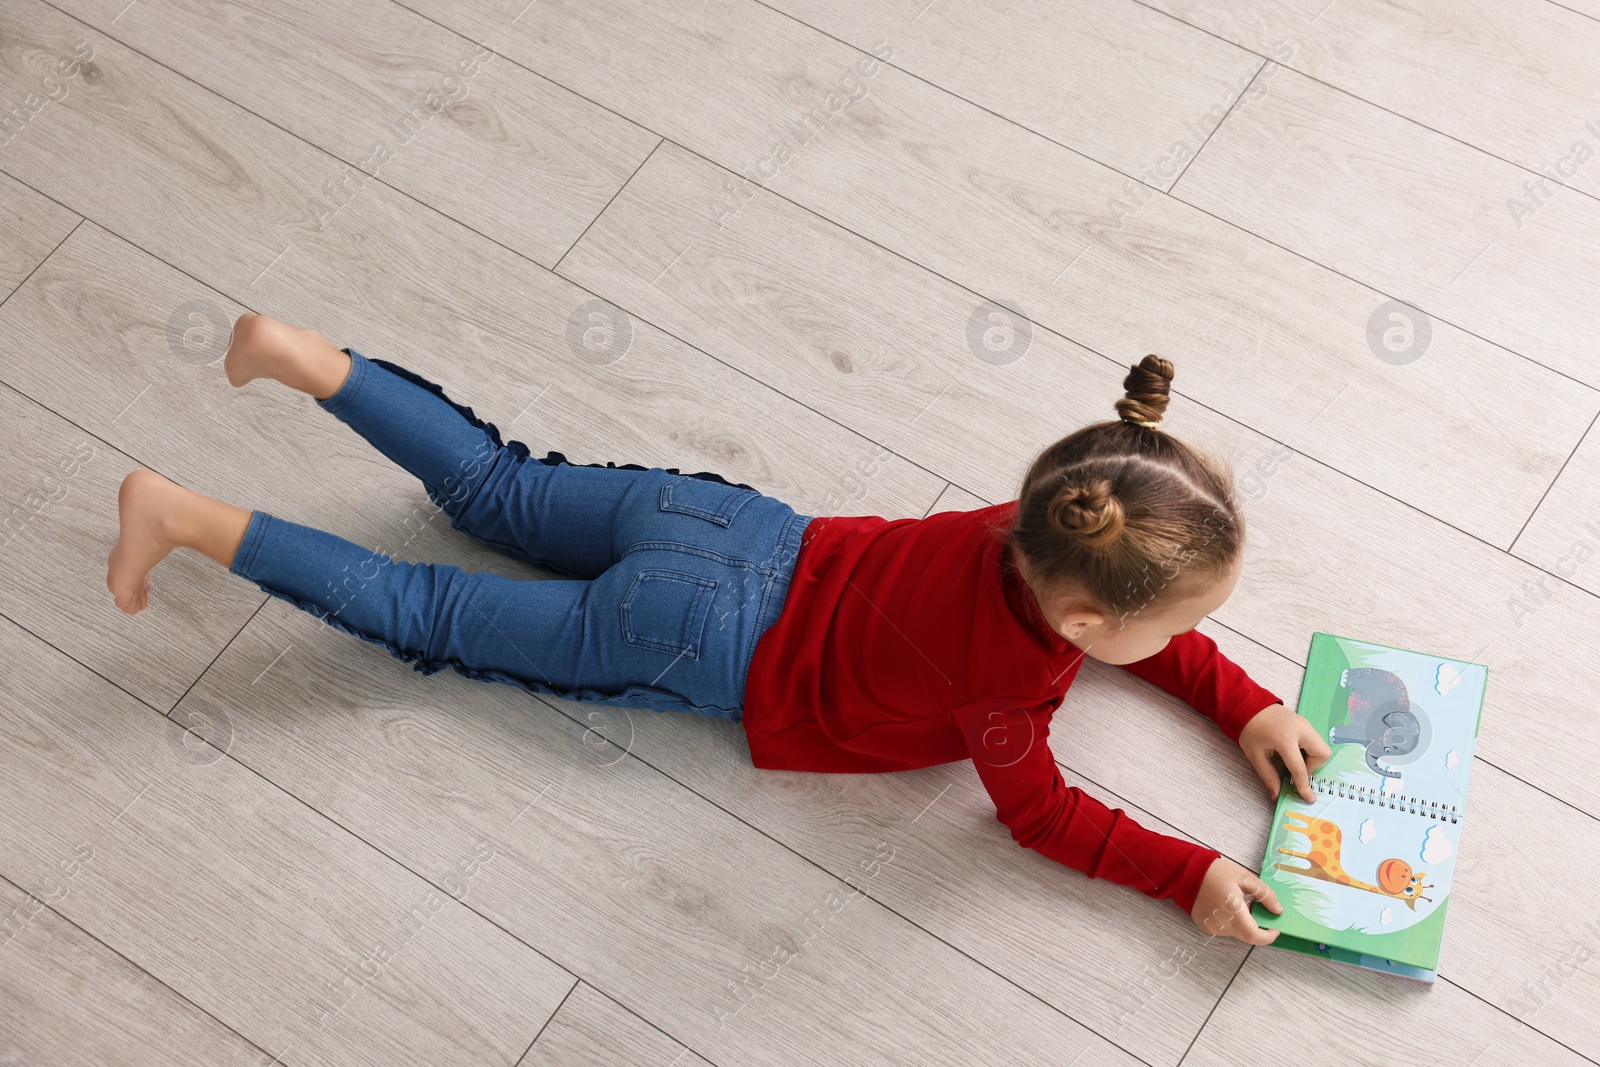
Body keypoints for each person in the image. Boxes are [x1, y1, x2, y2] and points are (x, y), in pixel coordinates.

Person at [108, 314, 1331, 943]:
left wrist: (1241, 697)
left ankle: (303, 355)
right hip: (690, 640)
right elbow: (1044, 816)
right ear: (1077, 615)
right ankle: (185, 516)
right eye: (1189, 623)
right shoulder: (1004, 694)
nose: (1191, 639)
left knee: (496, 485)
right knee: (427, 610)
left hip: (733, 525)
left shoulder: (1038, 518)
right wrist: (1190, 874)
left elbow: (1127, 617)